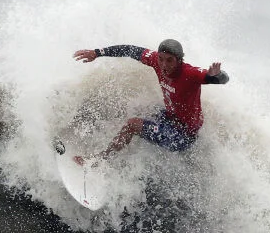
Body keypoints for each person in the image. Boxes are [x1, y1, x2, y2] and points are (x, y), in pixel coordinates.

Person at [72, 39, 229, 166]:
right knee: (136, 108)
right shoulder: (156, 60)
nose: (164, 65)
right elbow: (130, 50)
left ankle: (98, 161)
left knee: (132, 124)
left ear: (179, 61)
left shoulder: (190, 73)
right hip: (169, 118)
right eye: (161, 59)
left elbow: (222, 79)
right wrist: (97, 53)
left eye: (170, 61)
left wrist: (218, 75)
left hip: (184, 135)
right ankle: (112, 146)